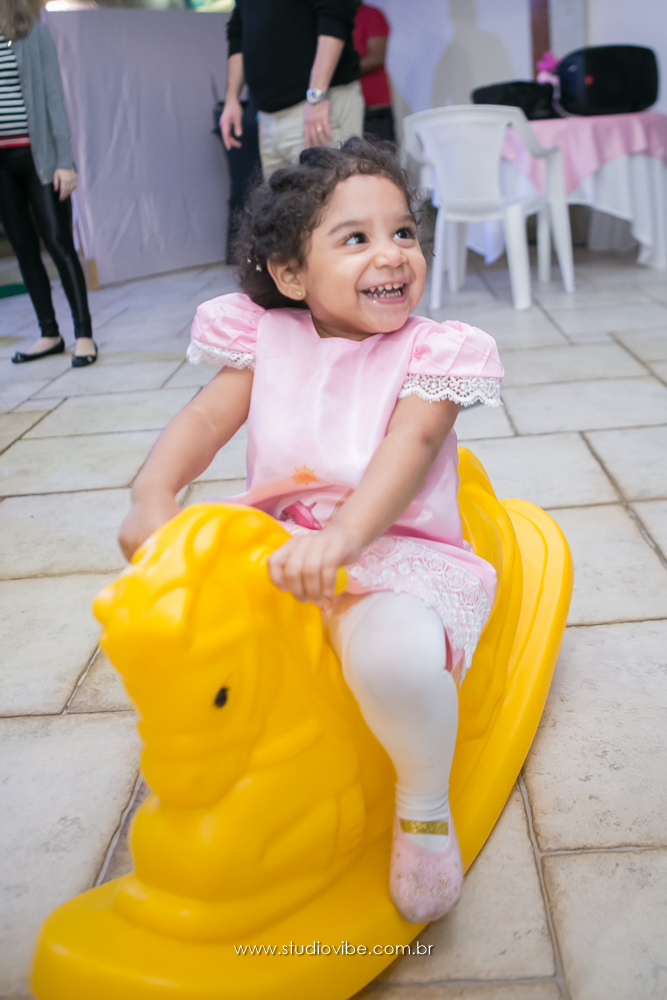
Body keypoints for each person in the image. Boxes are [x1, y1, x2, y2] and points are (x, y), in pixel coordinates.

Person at [118, 139, 503, 922]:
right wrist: (152, 491)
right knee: (184, 614)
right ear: (292, 274)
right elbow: (204, 421)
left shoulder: (431, 354)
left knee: (393, 660)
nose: (391, 253)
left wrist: (347, 537)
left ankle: (422, 808)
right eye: (355, 237)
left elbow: (409, 449)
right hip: (280, 537)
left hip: (390, 548)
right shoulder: (265, 338)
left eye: (402, 232)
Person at [0, 0, 96, 367]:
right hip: (1, 166)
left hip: (38, 159)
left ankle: (84, 335)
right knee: (24, 249)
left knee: (59, 244)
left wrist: (64, 162)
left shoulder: (34, 34)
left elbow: (54, 98)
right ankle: (49, 334)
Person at [221, 0, 364, 178]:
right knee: (280, 195)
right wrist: (231, 98)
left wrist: (317, 95)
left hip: (316, 107)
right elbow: (238, 31)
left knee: (331, 190)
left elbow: (335, 12)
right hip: (268, 118)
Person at [353, 2, 395, 142]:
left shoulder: (371, 14)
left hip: (374, 107)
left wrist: (341, 72)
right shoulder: (332, 19)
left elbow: (376, 58)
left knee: (381, 154)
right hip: (345, 107)